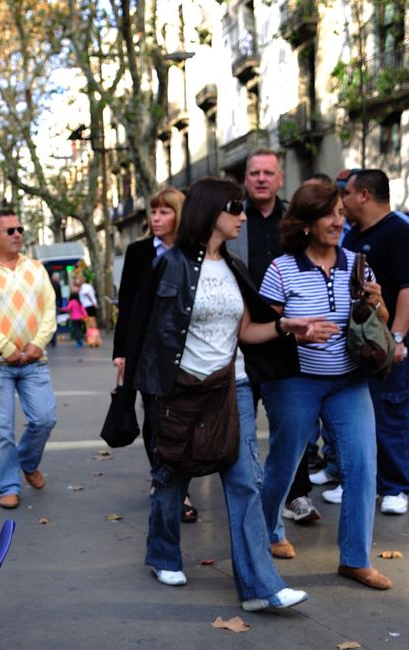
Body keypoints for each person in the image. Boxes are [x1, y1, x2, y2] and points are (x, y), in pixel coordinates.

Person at [119, 177, 330, 610]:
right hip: (181, 390)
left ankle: (259, 587)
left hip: (232, 387)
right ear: (210, 210)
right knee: (172, 477)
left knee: (246, 482)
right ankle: (162, 553)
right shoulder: (170, 264)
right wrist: (138, 390)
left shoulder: (233, 266)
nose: (242, 215)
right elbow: (144, 327)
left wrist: (284, 326)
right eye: (234, 207)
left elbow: (245, 331)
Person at [259, 179, 393, 591]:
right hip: (295, 382)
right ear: (305, 223)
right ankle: (267, 532)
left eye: (340, 213)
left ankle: (355, 559)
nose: (338, 221)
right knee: (284, 461)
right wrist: (295, 333)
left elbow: (381, 320)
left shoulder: (358, 263)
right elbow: (263, 329)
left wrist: (377, 302)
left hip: (349, 382)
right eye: (328, 214)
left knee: (362, 464)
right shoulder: (281, 269)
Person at [227, 148, 323, 530]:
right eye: (254, 173)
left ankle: (296, 493)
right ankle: (247, 487)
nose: (261, 178)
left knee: (290, 418)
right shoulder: (234, 219)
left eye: (269, 172)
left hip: (288, 334)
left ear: (280, 178)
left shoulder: (295, 221)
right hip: (244, 334)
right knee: (242, 419)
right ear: (246, 179)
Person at [342, 168, 409, 517]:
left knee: (392, 413)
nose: (342, 200)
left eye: (347, 193)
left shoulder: (400, 233)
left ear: (364, 194)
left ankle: (395, 488)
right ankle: (363, 482)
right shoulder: (351, 239)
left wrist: (397, 338)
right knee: (360, 418)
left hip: (391, 342)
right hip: (361, 343)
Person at [115, 186, 199, 523]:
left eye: (164, 211)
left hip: (188, 348)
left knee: (186, 418)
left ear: (179, 215)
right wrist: (121, 354)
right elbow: (127, 306)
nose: (156, 217)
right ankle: (164, 479)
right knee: (154, 418)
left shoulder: (195, 251)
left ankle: (180, 480)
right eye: (153, 211)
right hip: (147, 350)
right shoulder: (137, 252)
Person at [0, 209, 58, 509]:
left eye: (19, 228)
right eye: (10, 230)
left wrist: (37, 343)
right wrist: (6, 348)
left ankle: (28, 462)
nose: (18, 234)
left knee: (45, 418)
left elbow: (49, 310)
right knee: (2, 430)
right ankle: (9, 484)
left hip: (34, 361)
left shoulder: (35, 268)